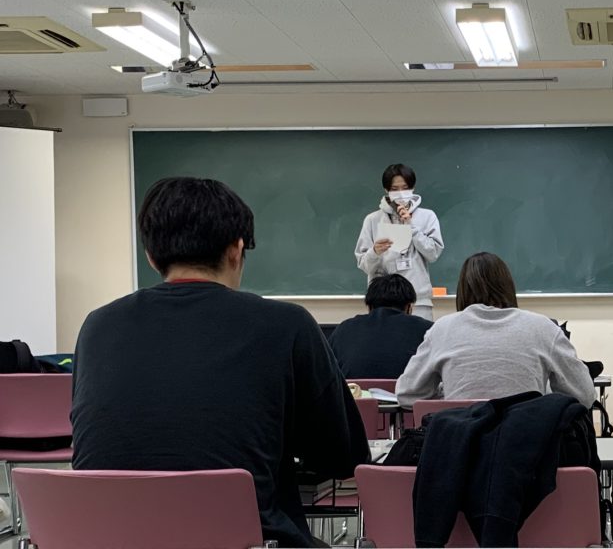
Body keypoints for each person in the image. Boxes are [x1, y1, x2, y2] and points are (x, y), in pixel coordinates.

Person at [71, 177, 370, 548]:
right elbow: (341, 459)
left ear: (150, 255)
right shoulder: (286, 324)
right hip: (248, 541)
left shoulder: (97, 326)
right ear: (236, 249)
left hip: (110, 540)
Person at [395, 252, 595, 408]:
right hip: (528, 453)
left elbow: (407, 394)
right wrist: (541, 396)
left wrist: (449, 394)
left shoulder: (442, 329)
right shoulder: (543, 327)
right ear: (508, 286)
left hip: (461, 453)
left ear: (462, 290)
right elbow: (585, 395)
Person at [354, 163, 444, 321]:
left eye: (405, 188)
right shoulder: (373, 220)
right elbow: (364, 264)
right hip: (381, 302)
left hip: (418, 301)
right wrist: (374, 252)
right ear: (386, 191)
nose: (400, 193)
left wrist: (412, 227)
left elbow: (433, 253)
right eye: (395, 189)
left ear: (413, 188)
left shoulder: (427, 217)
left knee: (419, 343)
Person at [329, 274, 432, 379]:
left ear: (369, 307)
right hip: (408, 394)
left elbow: (328, 372)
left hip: (357, 394)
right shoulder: (428, 330)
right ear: (409, 307)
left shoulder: (344, 329)